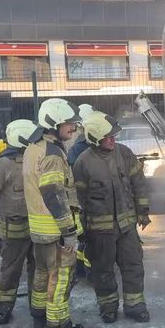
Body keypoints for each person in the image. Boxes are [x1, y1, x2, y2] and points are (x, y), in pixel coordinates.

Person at [73, 111, 151, 324]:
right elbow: (78, 199)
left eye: (114, 135)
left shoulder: (124, 153)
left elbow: (138, 182)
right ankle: (108, 307)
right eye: (107, 136)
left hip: (127, 227)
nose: (112, 139)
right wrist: (82, 229)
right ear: (95, 138)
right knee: (102, 270)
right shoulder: (83, 163)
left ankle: (136, 306)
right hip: (99, 231)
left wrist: (143, 211)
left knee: (133, 265)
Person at [23, 98, 84, 328]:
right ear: (54, 123)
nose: (73, 129)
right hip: (56, 229)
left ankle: (38, 315)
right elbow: (54, 194)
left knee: (41, 273)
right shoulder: (53, 153)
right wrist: (68, 230)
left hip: (39, 228)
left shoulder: (33, 148)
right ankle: (59, 326)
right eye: (69, 124)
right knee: (60, 279)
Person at [0, 119, 38, 325]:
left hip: (39, 228)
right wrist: (3, 210)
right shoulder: (3, 164)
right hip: (14, 230)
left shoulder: (38, 160)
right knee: (10, 270)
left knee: (38, 269)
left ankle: (38, 308)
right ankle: (3, 309)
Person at [67, 103, 96, 282]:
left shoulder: (75, 145)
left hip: (79, 199)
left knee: (82, 237)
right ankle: (88, 272)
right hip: (85, 199)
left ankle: (80, 270)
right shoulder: (82, 148)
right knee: (87, 238)